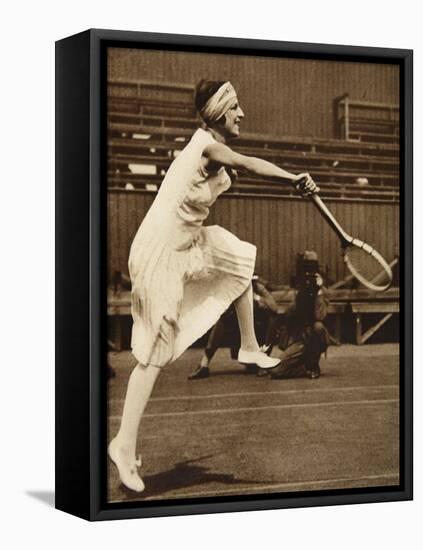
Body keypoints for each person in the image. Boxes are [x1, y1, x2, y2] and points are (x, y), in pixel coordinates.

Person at [108, 80, 318, 492]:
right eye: (235, 107)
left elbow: (234, 167)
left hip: (190, 241)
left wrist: (291, 181)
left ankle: (250, 347)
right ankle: (122, 443)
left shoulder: (209, 151)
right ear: (219, 112)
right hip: (161, 251)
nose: (242, 114)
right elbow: (248, 163)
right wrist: (293, 178)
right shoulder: (207, 145)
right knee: (154, 354)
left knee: (239, 257)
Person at [188, 275, 280, 379]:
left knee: (273, 319)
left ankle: (263, 360)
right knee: (223, 319)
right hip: (239, 340)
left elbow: (275, 308)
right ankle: (204, 364)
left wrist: (258, 301)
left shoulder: (258, 288)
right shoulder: (233, 290)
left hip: (258, 341)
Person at [263, 251, 331, 380]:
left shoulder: (322, 291)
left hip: (315, 337)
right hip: (300, 339)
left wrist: (319, 291)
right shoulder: (300, 290)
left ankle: (313, 365)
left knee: (318, 327)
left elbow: (320, 316)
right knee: (276, 371)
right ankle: (304, 368)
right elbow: (289, 313)